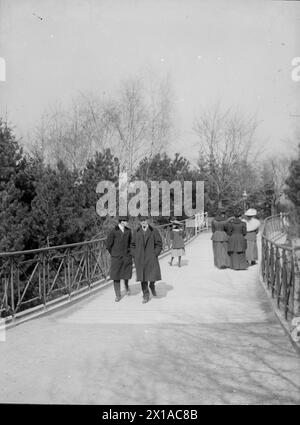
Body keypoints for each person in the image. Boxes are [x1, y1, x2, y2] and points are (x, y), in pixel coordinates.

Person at [131, 216, 163, 304]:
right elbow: (132, 245)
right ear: (140, 222)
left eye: (145, 220)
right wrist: (135, 255)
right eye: (141, 221)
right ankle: (146, 295)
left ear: (148, 221)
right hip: (140, 259)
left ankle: (152, 285)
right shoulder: (136, 232)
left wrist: (155, 254)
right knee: (143, 278)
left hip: (151, 257)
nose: (143, 222)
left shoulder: (154, 231)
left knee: (153, 275)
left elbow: (159, 244)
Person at [106, 216, 133, 302]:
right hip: (116, 258)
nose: (127, 223)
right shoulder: (114, 231)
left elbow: (131, 243)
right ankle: (118, 295)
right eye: (126, 221)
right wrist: (114, 254)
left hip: (126, 256)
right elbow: (108, 245)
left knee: (126, 274)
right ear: (121, 222)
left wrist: (130, 253)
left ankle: (126, 285)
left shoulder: (128, 231)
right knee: (116, 276)